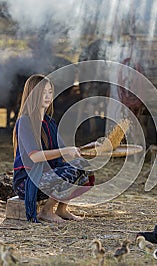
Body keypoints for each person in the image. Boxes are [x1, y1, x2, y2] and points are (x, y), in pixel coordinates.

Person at [12, 74, 95, 223]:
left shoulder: (49, 122)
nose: (48, 96)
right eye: (43, 92)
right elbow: (35, 157)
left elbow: (65, 151)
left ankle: (61, 209)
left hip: (47, 178)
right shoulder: (25, 121)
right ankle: (46, 211)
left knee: (83, 167)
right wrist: (65, 151)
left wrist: (91, 148)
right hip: (28, 181)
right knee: (72, 169)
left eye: (50, 92)